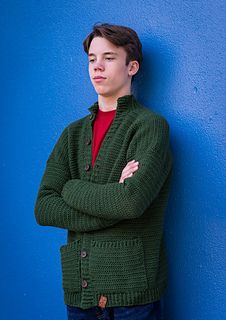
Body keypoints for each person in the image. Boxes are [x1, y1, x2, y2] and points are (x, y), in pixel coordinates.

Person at [34, 23, 172, 320]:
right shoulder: (72, 134)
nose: (97, 67)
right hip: (79, 295)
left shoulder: (149, 126)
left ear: (131, 66)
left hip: (131, 296)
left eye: (109, 58)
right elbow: (44, 207)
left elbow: (130, 202)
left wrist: (71, 189)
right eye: (92, 59)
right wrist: (112, 199)